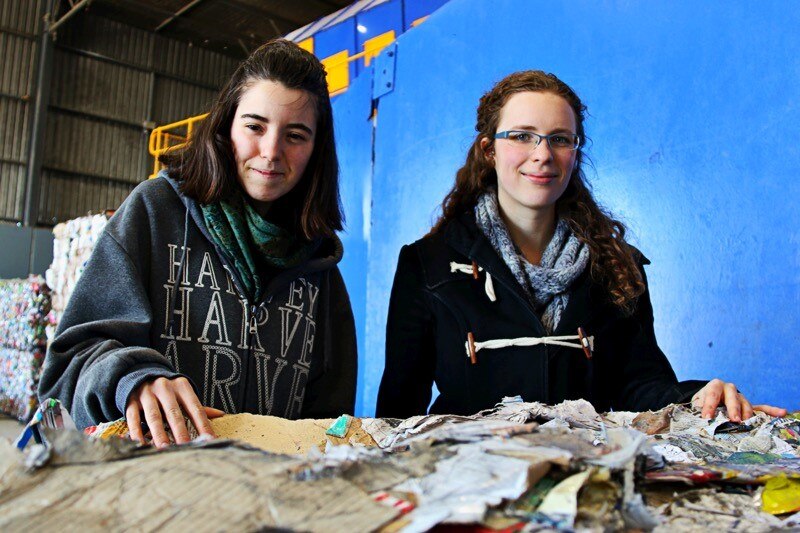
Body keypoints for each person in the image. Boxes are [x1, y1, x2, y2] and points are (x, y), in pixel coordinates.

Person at [376, 71, 785, 421]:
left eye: (559, 139)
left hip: (587, 472)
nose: (542, 155)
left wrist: (697, 397)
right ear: (489, 151)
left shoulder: (617, 266)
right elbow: (398, 409)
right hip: (474, 476)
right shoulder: (426, 264)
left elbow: (642, 385)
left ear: (575, 153)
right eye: (522, 136)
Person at [39, 39, 357, 447]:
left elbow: (328, 422)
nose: (271, 152)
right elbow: (66, 371)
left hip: (265, 485)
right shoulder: (155, 212)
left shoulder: (319, 266)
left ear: (316, 150)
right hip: (152, 480)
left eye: (295, 135)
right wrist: (132, 379)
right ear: (226, 125)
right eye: (255, 127)